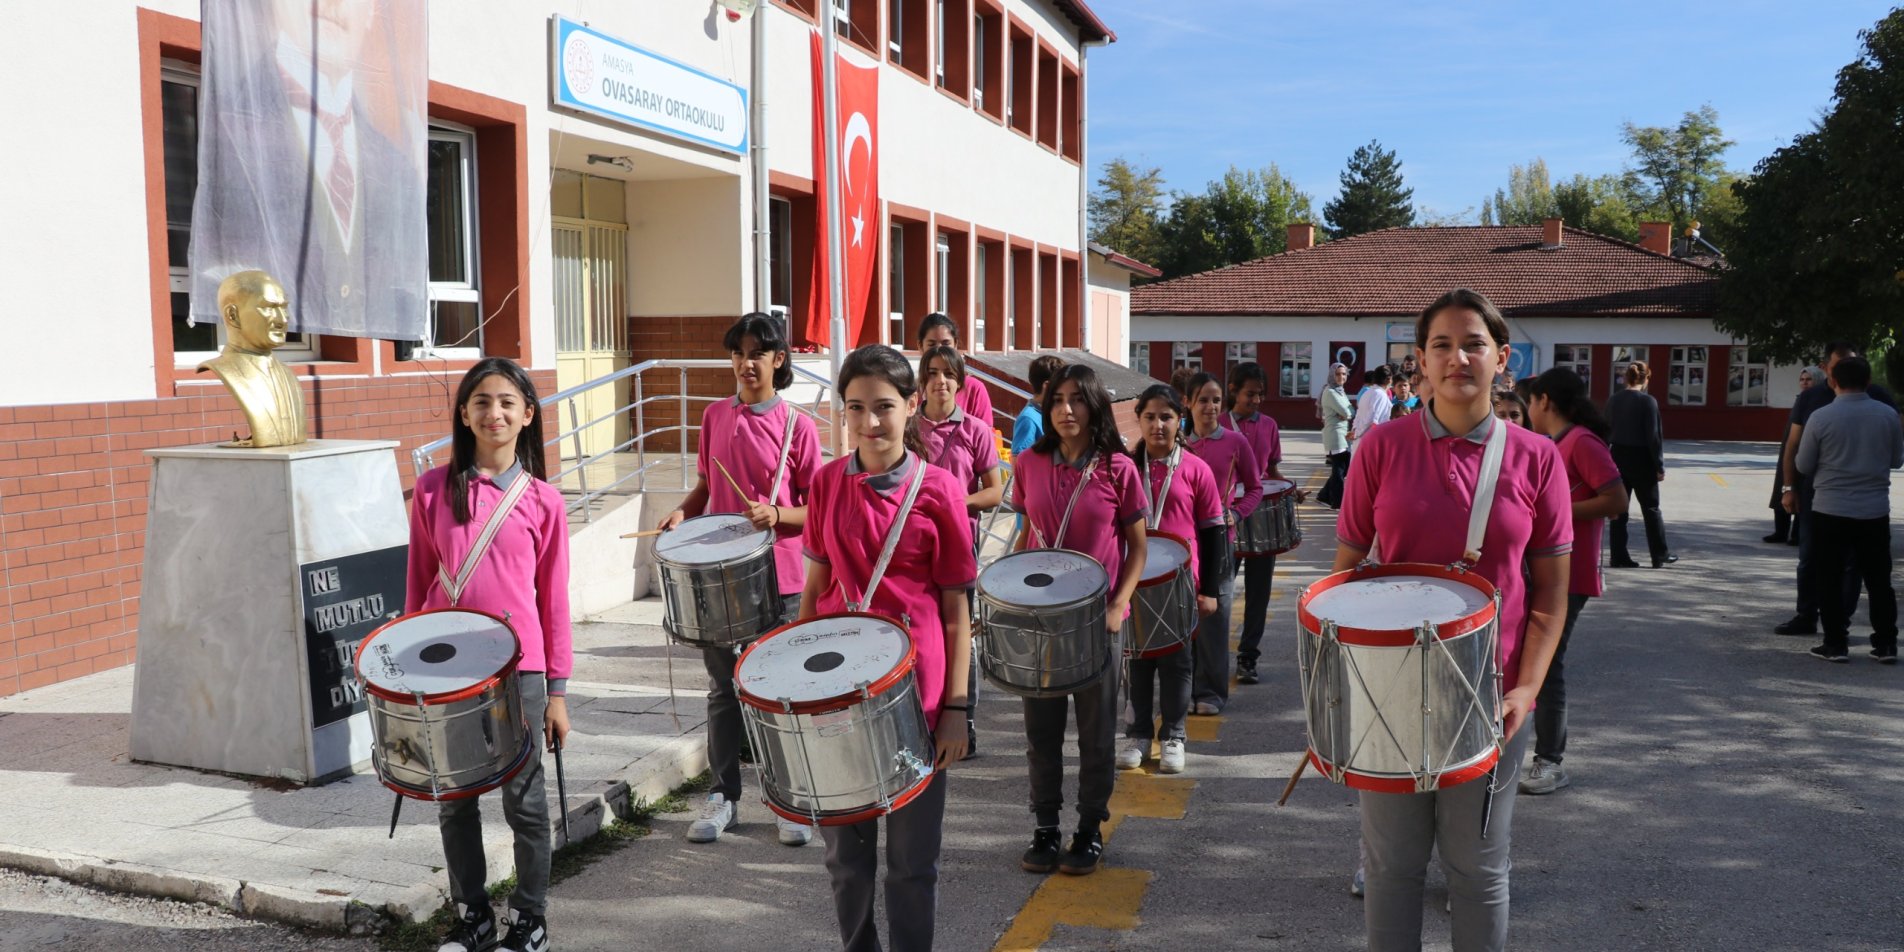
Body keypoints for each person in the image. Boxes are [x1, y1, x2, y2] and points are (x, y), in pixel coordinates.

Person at [1334, 289, 1571, 952]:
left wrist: (1526, 689)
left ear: (1503, 360)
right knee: (1392, 869)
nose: (1457, 357)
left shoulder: (1537, 458)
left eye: (1474, 344)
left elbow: (1551, 594)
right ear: (1420, 361)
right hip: (1392, 694)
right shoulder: (1380, 449)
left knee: (1477, 870)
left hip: (1493, 699)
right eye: (1441, 344)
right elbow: (1345, 577)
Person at [800, 344, 977, 952]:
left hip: (917, 698)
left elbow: (956, 608)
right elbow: (814, 591)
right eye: (855, 409)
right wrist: (795, 688)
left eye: (883, 407)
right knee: (846, 864)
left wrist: (957, 708)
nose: (869, 423)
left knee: (910, 864)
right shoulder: (826, 484)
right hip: (836, 699)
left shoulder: (941, 490)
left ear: (911, 405)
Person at [407, 357, 570, 952]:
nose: (493, 412)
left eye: (506, 401)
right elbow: (416, 588)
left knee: (524, 803)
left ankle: (530, 919)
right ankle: (472, 916)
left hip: (518, 673)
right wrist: (407, 675)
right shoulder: (431, 488)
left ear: (528, 414)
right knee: (454, 805)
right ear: (463, 413)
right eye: (481, 401)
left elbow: (552, 603)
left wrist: (557, 692)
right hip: (447, 671)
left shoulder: (544, 501)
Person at [656, 314, 822, 848]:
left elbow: (816, 510)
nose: (747, 363)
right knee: (723, 691)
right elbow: (704, 487)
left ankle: (789, 799)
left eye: (759, 353)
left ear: (779, 360)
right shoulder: (712, 417)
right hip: (718, 580)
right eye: (738, 353)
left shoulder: (799, 426)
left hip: (782, 577)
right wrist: (682, 513)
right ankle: (723, 796)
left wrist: (779, 514)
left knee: (777, 691)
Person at [1011, 364, 1148, 876]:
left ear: (1094, 406)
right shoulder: (1029, 462)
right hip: (1041, 623)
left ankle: (1089, 829)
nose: (1066, 410)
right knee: (1041, 732)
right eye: (1057, 401)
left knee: (1096, 734)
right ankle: (1045, 827)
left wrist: (1118, 606)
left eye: (1077, 400)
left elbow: (1137, 549)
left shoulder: (1118, 468)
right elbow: (1030, 539)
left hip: (1098, 623)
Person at [1520, 368, 1627, 796]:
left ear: (1544, 400)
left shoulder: (1581, 441)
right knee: (1529, 661)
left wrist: (1555, 511)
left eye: (1529, 402)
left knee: (1547, 666)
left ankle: (1550, 761)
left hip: (1571, 573)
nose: (1527, 411)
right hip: (1545, 570)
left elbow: (1615, 500)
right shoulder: (1556, 444)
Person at [1118, 384, 1228, 775]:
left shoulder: (1196, 469)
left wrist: (1210, 589)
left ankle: (1174, 736)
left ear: (1179, 420)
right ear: (1139, 420)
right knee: (1137, 662)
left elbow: (1213, 530)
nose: (1158, 425)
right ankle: (1138, 734)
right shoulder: (1127, 467)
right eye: (1149, 417)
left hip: (1182, 583)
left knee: (1177, 663)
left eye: (1166, 417)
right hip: (1136, 581)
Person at [918, 344, 1007, 756]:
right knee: (920, 633)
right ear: (922, 381)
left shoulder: (974, 429)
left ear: (960, 383)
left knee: (959, 636)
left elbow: (994, 490)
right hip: (914, 549)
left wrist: (956, 503)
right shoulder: (906, 428)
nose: (940, 381)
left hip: (959, 548)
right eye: (933, 373)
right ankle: (920, 717)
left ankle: (963, 719)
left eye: (948, 374)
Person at [1774, 343, 1896, 637]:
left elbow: (1803, 459)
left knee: (1844, 569)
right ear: (1825, 367)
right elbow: (1791, 447)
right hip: (1839, 500)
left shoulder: (1874, 400)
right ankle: (1811, 617)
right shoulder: (1812, 399)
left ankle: (1838, 630)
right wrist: (1788, 488)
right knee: (1814, 561)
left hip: (1833, 501)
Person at [1182, 372, 1262, 715]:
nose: (1211, 407)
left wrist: (1236, 513)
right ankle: (1183, 688)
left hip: (1219, 542)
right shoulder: (1178, 443)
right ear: (1187, 402)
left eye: (1216, 400)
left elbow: (1255, 487)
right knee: (1184, 617)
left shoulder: (1235, 442)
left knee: (1215, 617)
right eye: (1203, 400)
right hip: (1183, 544)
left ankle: (1211, 693)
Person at [1224, 361, 1298, 686]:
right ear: (1232, 391)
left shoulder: (1269, 425)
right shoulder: (1217, 426)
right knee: (1218, 592)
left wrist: (1291, 489)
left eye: (1260, 395)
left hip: (1262, 521)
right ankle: (1208, 658)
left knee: (1258, 595)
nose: (1256, 401)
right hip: (1226, 519)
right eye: (1250, 394)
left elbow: (1272, 473)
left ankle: (1247, 658)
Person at [1604, 362, 1676, 569]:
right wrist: (1659, 466)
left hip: (1617, 457)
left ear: (1626, 378)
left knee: (1620, 510)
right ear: (1646, 379)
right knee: (1651, 509)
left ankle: (1618, 556)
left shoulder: (1613, 400)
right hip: (1642, 459)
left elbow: (1605, 431)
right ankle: (1659, 555)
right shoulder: (1648, 402)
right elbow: (1653, 437)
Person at [1766, 366, 1824, 545]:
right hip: (1789, 450)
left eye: (1809, 379)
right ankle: (1780, 531)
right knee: (1783, 489)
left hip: (1807, 452)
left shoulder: (1820, 401)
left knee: (1802, 491)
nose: (1805, 383)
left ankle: (1797, 534)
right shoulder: (1800, 399)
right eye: (1802, 379)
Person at [918, 313, 993, 427]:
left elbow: (986, 436)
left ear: (955, 344)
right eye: (932, 344)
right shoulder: (910, 391)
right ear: (920, 346)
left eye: (946, 344)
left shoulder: (974, 389)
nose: (939, 350)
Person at [1012, 354, 1066, 460]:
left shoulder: (1052, 413)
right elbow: (1018, 462)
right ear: (1047, 386)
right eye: (1062, 385)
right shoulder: (1029, 419)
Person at [1316, 363, 1354, 509]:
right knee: (1339, 470)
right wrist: (1347, 413)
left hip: (1343, 434)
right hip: (1335, 435)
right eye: (1338, 374)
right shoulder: (1330, 392)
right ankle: (1337, 502)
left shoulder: (1340, 390)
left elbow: (1350, 410)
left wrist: (1347, 413)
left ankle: (1324, 495)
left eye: (1344, 374)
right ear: (1332, 375)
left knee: (1343, 469)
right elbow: (1347, 412)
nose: (1341, 377)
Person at [1351, 365, 1394, 443]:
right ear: (1389, 380)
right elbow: (1372, 420)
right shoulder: (1380, 395)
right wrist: (1357, 434)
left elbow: (1358, 415)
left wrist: (1355, 431)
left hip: (1361, 439)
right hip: (1370, 440)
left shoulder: (1367, 393)